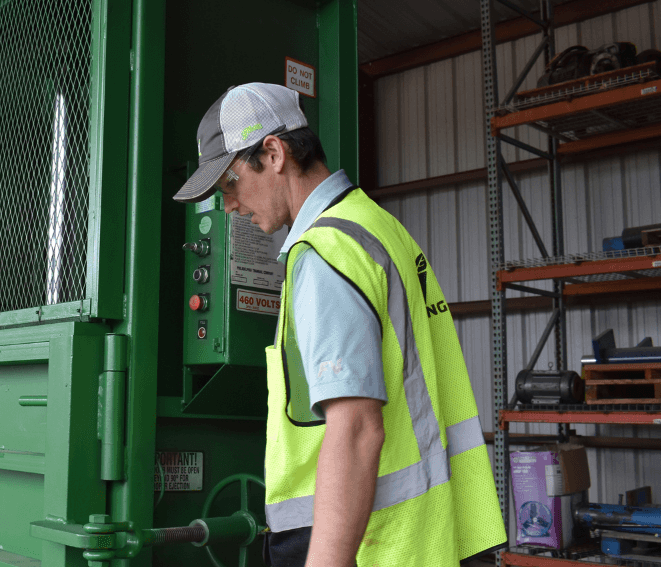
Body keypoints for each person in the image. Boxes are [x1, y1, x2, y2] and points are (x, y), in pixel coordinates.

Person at [173, 83, 506, 567]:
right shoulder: (378, 227)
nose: (229, 205)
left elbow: (355, 427)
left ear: (273, 153)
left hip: (377, 543)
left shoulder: (325, 253)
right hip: (433, 533)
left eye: (230, 183)